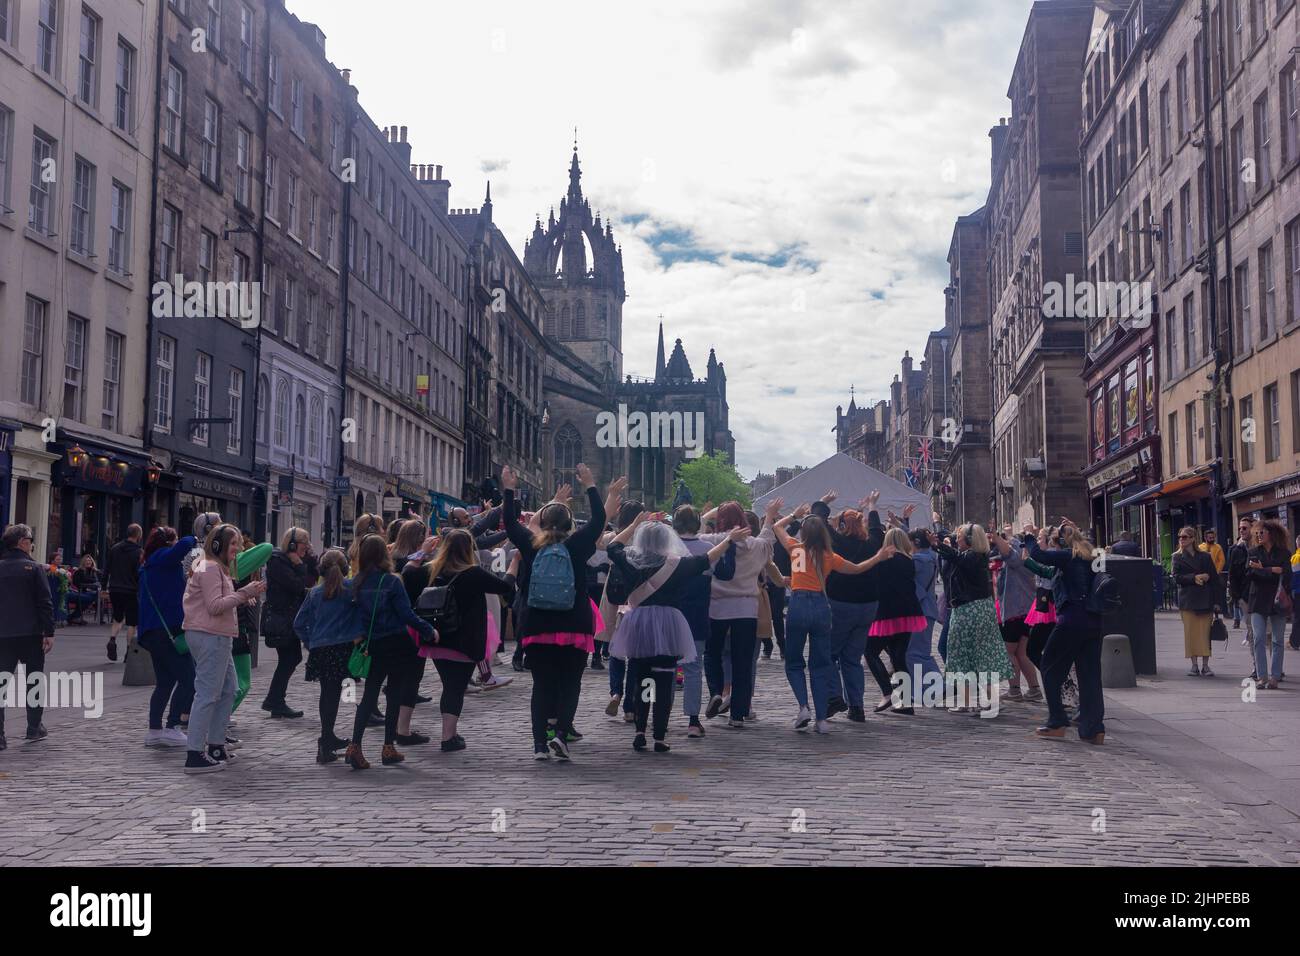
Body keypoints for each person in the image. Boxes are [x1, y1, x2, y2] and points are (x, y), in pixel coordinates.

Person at [502, 463, 621, 760]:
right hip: (575, 627)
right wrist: (591, 485)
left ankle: (539, 745)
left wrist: (508, 489)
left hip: (538, 625)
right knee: (570, 686)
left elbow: (509, 522)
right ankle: (560, 737)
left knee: (542, 687)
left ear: (541, 524)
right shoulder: (578, 545)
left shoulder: (531, 546)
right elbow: (598, 521)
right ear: (570, 524)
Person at [606, 513, 744, 751]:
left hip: (639, 623)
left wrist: (633, 524)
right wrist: (728, 540)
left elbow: (613, 546)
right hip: (667, 624)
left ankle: (641, 729)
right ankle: (659, 735)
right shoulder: (676, 564)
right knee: (663, 679)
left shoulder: (630, 560)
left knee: (643, 678)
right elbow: (706, 559)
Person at [771, 500, 894, 734]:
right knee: (820, 664)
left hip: (798, 604)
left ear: (804, 532)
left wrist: (794, 515)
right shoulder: (829, 556)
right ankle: (822, 719)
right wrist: (878, 557)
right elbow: (857, 568)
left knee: (795, 661)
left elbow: (777, 527)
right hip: (821, 605)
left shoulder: (795, 548)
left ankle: (803, 706)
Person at [403, 528, 516, 752]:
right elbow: (505, 587)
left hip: (437, 641)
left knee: (449, 686)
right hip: (465, 641)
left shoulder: (431, 570)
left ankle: (450, 733)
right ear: (468, 550)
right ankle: (448, 737)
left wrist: (421, 554)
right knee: (455, 688)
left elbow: (407, 574)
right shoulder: (473, 573)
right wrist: (515, 564)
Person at [344, 535, 435, 770]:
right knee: (394, 694)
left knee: (369, 695)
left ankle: (355, 745)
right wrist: (428, 630)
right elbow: (406, 614)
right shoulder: (392, 581)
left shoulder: (357, 582)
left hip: (373, 644)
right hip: (397, 643)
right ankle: (388, 747)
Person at [181, 524, 265, 773]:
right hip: (209, 635)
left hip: (218, 635)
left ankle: (216, 744)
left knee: (229, 688)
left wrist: (242, 594)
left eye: (238, 543)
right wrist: (244, 593)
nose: (237, 549)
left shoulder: (217, 568)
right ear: (217, 545)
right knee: (207, 693)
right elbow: (215, 606)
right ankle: (194, 753)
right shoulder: (209, 568)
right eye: (233, 544)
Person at [698, 500, 775, 727]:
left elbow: (697, 532)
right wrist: (769, 516)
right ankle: (738, 714)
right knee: (743, 662)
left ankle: (716, 692)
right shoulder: (755, 545)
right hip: (745, 607)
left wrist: (707, 517)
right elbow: (768, 538)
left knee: (712, 654)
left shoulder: (711, 541)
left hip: (717, 606)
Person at [1029, 522, 1104, 744]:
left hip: (1071, 620)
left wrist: (1030, 536)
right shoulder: (1094, 556)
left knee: (1049, 667)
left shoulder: (1066, 556)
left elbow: (1037, 555)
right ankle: (1095, 729)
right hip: (1094, 621)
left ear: (1061, 542)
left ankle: (1057, 721)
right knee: (1090, 676)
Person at [931, 524, 1012, 714]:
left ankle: (972, 702)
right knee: (983, 656)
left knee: (961, 656)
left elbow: (955, 557)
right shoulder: (978, 556)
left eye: (959, 537)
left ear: (969, 540)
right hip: (982, 610)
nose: (956, 540)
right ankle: (985, 701)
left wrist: (937, 545)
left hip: (968, 611)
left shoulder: (971, 557)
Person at [293, 549, 359, 764]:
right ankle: (326, 739)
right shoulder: (350, 590)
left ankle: (327, 736)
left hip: (320, 649)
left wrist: (310, 642)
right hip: (342, 648)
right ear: (345, 568)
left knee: (327, 693)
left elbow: (298, 623)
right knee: (337, 694)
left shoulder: (314, 593)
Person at [824, 493, 886, 719]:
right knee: (852, 657)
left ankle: (834, 695)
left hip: (841, 603)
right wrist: (871, 505)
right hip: (868, 605)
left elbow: (818, 520)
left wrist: (825, 502)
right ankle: (856, 706)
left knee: (829, 654)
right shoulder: (872, 543)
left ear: (841, 525)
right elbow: (878, 528)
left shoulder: (837, 542)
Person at [137, 527, 197, 747]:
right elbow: (181, 548)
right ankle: (172, 727)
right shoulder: (163, 557)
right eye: (174, 540)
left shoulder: (149, 564)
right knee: (189, 678)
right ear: (168, 542)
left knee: (164, 682)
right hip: (167, 632)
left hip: (153, 632)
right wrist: (192, 536)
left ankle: (154, 730)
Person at [0, 524, 55, 749]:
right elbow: (45, 602)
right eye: (31, 540)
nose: (32, 544)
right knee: (33, 681)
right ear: (23, 542)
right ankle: (33, 727)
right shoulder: (33, 568)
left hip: (3, 635)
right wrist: (49, 632)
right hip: (31, 634)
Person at [866, 528, 927, 712]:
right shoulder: (909, 561)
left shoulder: (887, 560)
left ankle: (887, 692)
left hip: (888, 612)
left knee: (870, 651)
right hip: (908, 612)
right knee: (898, 656)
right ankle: (906, 702)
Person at [260, 528, 312, 719]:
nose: (306, 548)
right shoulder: (278, 562)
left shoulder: (286, 561)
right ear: (292, 544)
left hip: (288, 618)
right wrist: (300, 567)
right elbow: (296, 586)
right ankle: (275, 701)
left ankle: (275, 700)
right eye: (303, 543)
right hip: (281, 620)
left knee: (291, 658)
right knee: (290, 658)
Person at [673, 505, 715, 738]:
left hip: (670, 614)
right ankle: (692, 720)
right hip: (698, 613)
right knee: (693, 669)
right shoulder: (707, 548)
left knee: (664, 667)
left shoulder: (666, 547)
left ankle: (658, 715)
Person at [990, 530, 1048, 700]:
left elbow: (1010, 556)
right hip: (1026, 611)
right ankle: (1034, 689)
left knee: (1008, 652)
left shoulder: (1019, 560)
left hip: (1015, 612)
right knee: (1022, 653)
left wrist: (999, 538)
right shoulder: (1030, 560)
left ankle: (1014, 689)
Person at [1246, 519, 1292, 690]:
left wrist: (1263, 568)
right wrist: (1273, 570)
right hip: (1257, 600)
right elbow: (1250, 574)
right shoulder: (1253, 552)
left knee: (1277, 640)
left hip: (1277, 600)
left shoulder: (1284, 554)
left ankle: (1275, 676)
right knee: (1258, 638)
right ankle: (1262, 676)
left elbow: (1286, 576)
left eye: (1261, 532)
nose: (1258, 535)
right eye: (1256, 533)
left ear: (1270, 534)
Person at [1173, 527, 1219, 677]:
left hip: (1205, 599)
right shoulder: (1177, 557)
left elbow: (1214, 578)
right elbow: (1176, 578)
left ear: (1193, 539)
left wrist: (1217, 601)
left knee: (1204, 633)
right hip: (1188, 600)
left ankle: (1205, 666)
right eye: (1180, 537)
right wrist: (1194, 577)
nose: (1181, 539)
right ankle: (1194, 665)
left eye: (1185, 537)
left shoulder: (1205, 556)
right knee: (1191, 633)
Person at [905, 528, 943, 696]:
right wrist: (902, 523)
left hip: (921, 610)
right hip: (927, 609)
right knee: (916, 651)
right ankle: (919, 690)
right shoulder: (930, 556)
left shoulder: (919, 560)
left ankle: (937, 687)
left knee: (915, 653)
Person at [106, 524, 144, 661]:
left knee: (117, 618)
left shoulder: (114, 548)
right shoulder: (139, 552)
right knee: (132, 622)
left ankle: (112, 639)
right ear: (138, 535)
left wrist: (104, 587)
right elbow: (139, 573)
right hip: (131, 590)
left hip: (115, 589)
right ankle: (128, 651)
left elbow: (107, 569)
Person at [1228, 517, 1254, 636]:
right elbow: (1233, 574)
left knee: (1264, 635)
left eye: (1244, 528)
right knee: (1252, 633)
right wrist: (1237, 597)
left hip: (1261, 595)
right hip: (1245, 596)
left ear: (1253, 529)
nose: (1241, 530)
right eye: (1240, 528)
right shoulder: (1236, 550)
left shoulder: (1260, 548)